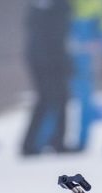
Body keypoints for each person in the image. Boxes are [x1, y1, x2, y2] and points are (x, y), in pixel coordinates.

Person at [19, 0, 72, 156]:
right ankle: (32, 145)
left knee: (56, 98)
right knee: (49, 98)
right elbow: (55, 33)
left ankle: (53, 142)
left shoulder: (46, 6)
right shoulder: (59, 6)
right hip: (46, 58)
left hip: (44, 57)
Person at [68, 0, 102, 152]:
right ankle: (81, 143)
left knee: (54, 101)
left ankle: (47, 141)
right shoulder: (97, 5)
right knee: (84, 102)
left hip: (64, 60)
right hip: (80, 60)